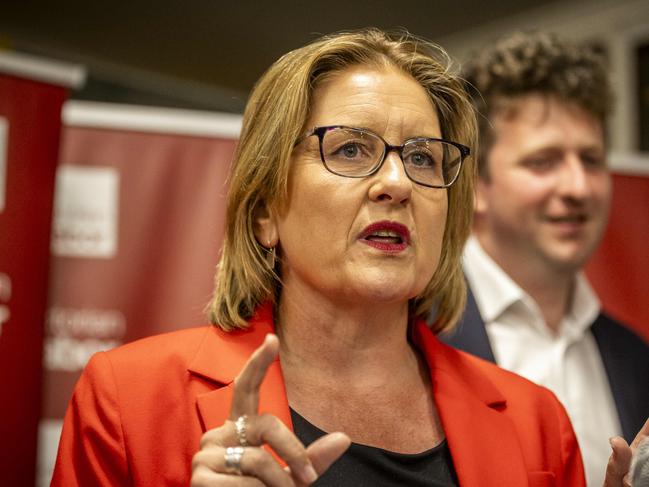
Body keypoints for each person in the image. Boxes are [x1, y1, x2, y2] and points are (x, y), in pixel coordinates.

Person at [52, 28, 601, 486]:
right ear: (266, 207)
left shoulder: (537, 424)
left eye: (423, 158)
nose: (397, 182)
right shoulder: (129, 399)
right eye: (351, 149)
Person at [441, 31, 649, 486]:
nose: (578, 187)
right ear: (476, 184)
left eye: (591, 160)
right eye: (543, 161)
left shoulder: (635, 358)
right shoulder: (412, 332)